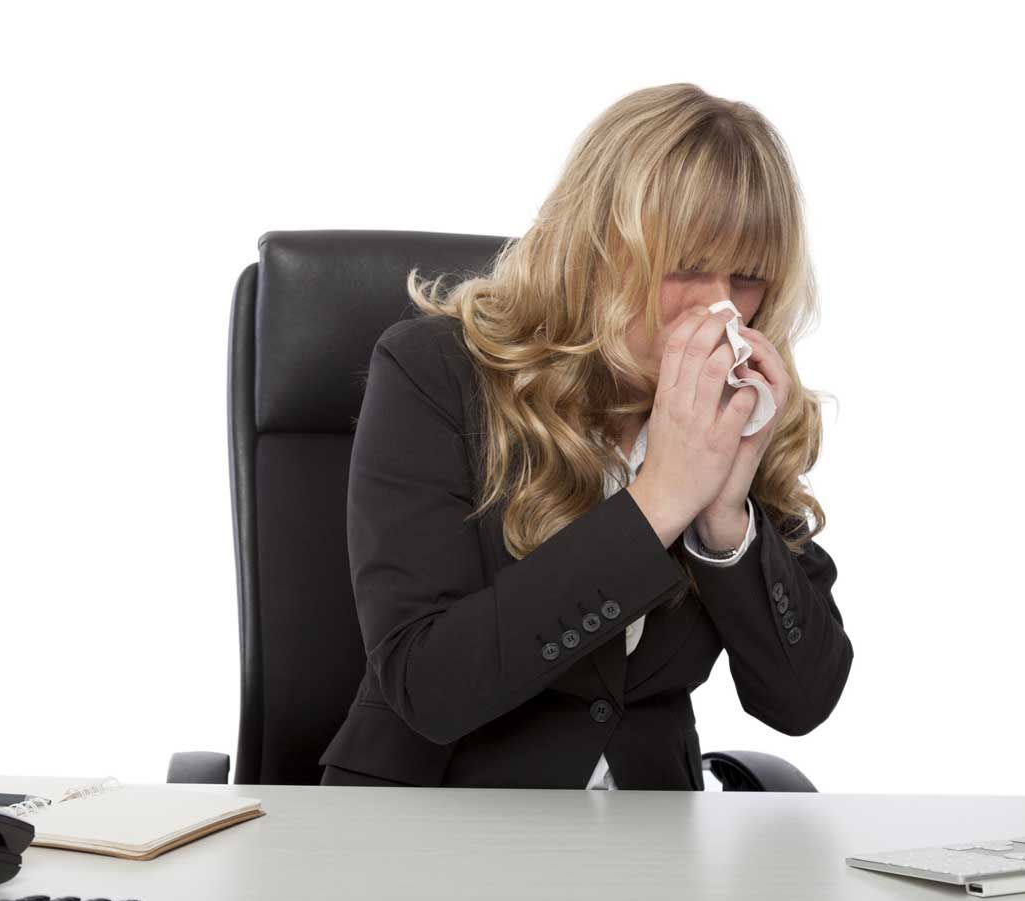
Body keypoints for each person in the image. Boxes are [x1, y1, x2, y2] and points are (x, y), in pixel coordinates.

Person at [318, 83, 853, 789]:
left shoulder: (736, 410)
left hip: (647, 846)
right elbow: (428, 685)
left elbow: (801, 700)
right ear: (597, 248)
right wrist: (661, 498)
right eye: (686, 266)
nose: (720, 304)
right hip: (432, 828)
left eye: (747, 276)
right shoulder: (433, 373)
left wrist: (725, 519)